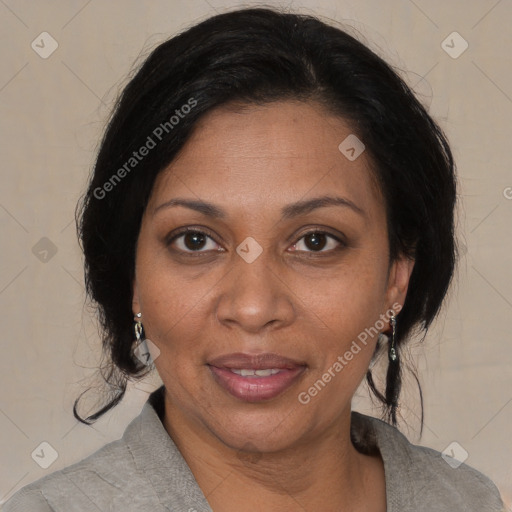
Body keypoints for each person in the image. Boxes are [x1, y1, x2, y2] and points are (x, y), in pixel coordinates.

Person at [3, 7, 505, 512]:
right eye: (195, 241)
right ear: (132, 274)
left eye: (315, 241)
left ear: (396, 277)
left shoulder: (469, 501)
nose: (252, 307)